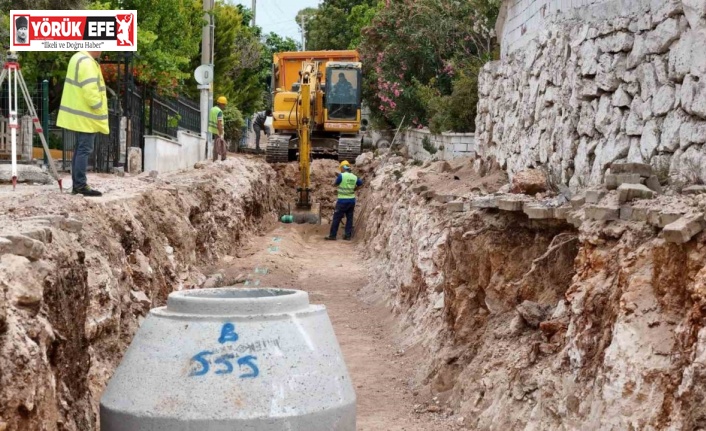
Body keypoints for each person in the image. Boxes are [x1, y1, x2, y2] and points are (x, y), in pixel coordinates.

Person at [57, 50, 108, 197]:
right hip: (87, 115)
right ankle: (80, 185)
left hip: (80, 114)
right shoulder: (87, 62)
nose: (102, 51)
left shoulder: (77, 57)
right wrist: (99, 106)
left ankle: (78, 184)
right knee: (84, 149)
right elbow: (90, 90)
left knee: (80, 149)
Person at [325, 160, 363, 241]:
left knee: (336, 218)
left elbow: (335, 184)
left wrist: (335, 183)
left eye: (341, 168)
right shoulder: (354, 176)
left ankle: (332, 235)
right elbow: (360, 183)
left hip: (342, 201)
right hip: (351, 201)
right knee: (349, 218)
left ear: (343, 168)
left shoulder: (341, 176)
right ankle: (347, 235)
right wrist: (355, 188)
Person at [209, 96, 227, 161]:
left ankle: (215, 159)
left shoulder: (212, 109)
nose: (224, 106)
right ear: (221, 104)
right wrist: (221, 133)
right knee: (220, 144)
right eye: (224, 105)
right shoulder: (219, 111)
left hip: (213, 129)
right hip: (218, 130)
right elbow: (219, 122)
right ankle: (222, 158)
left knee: (216, 144)